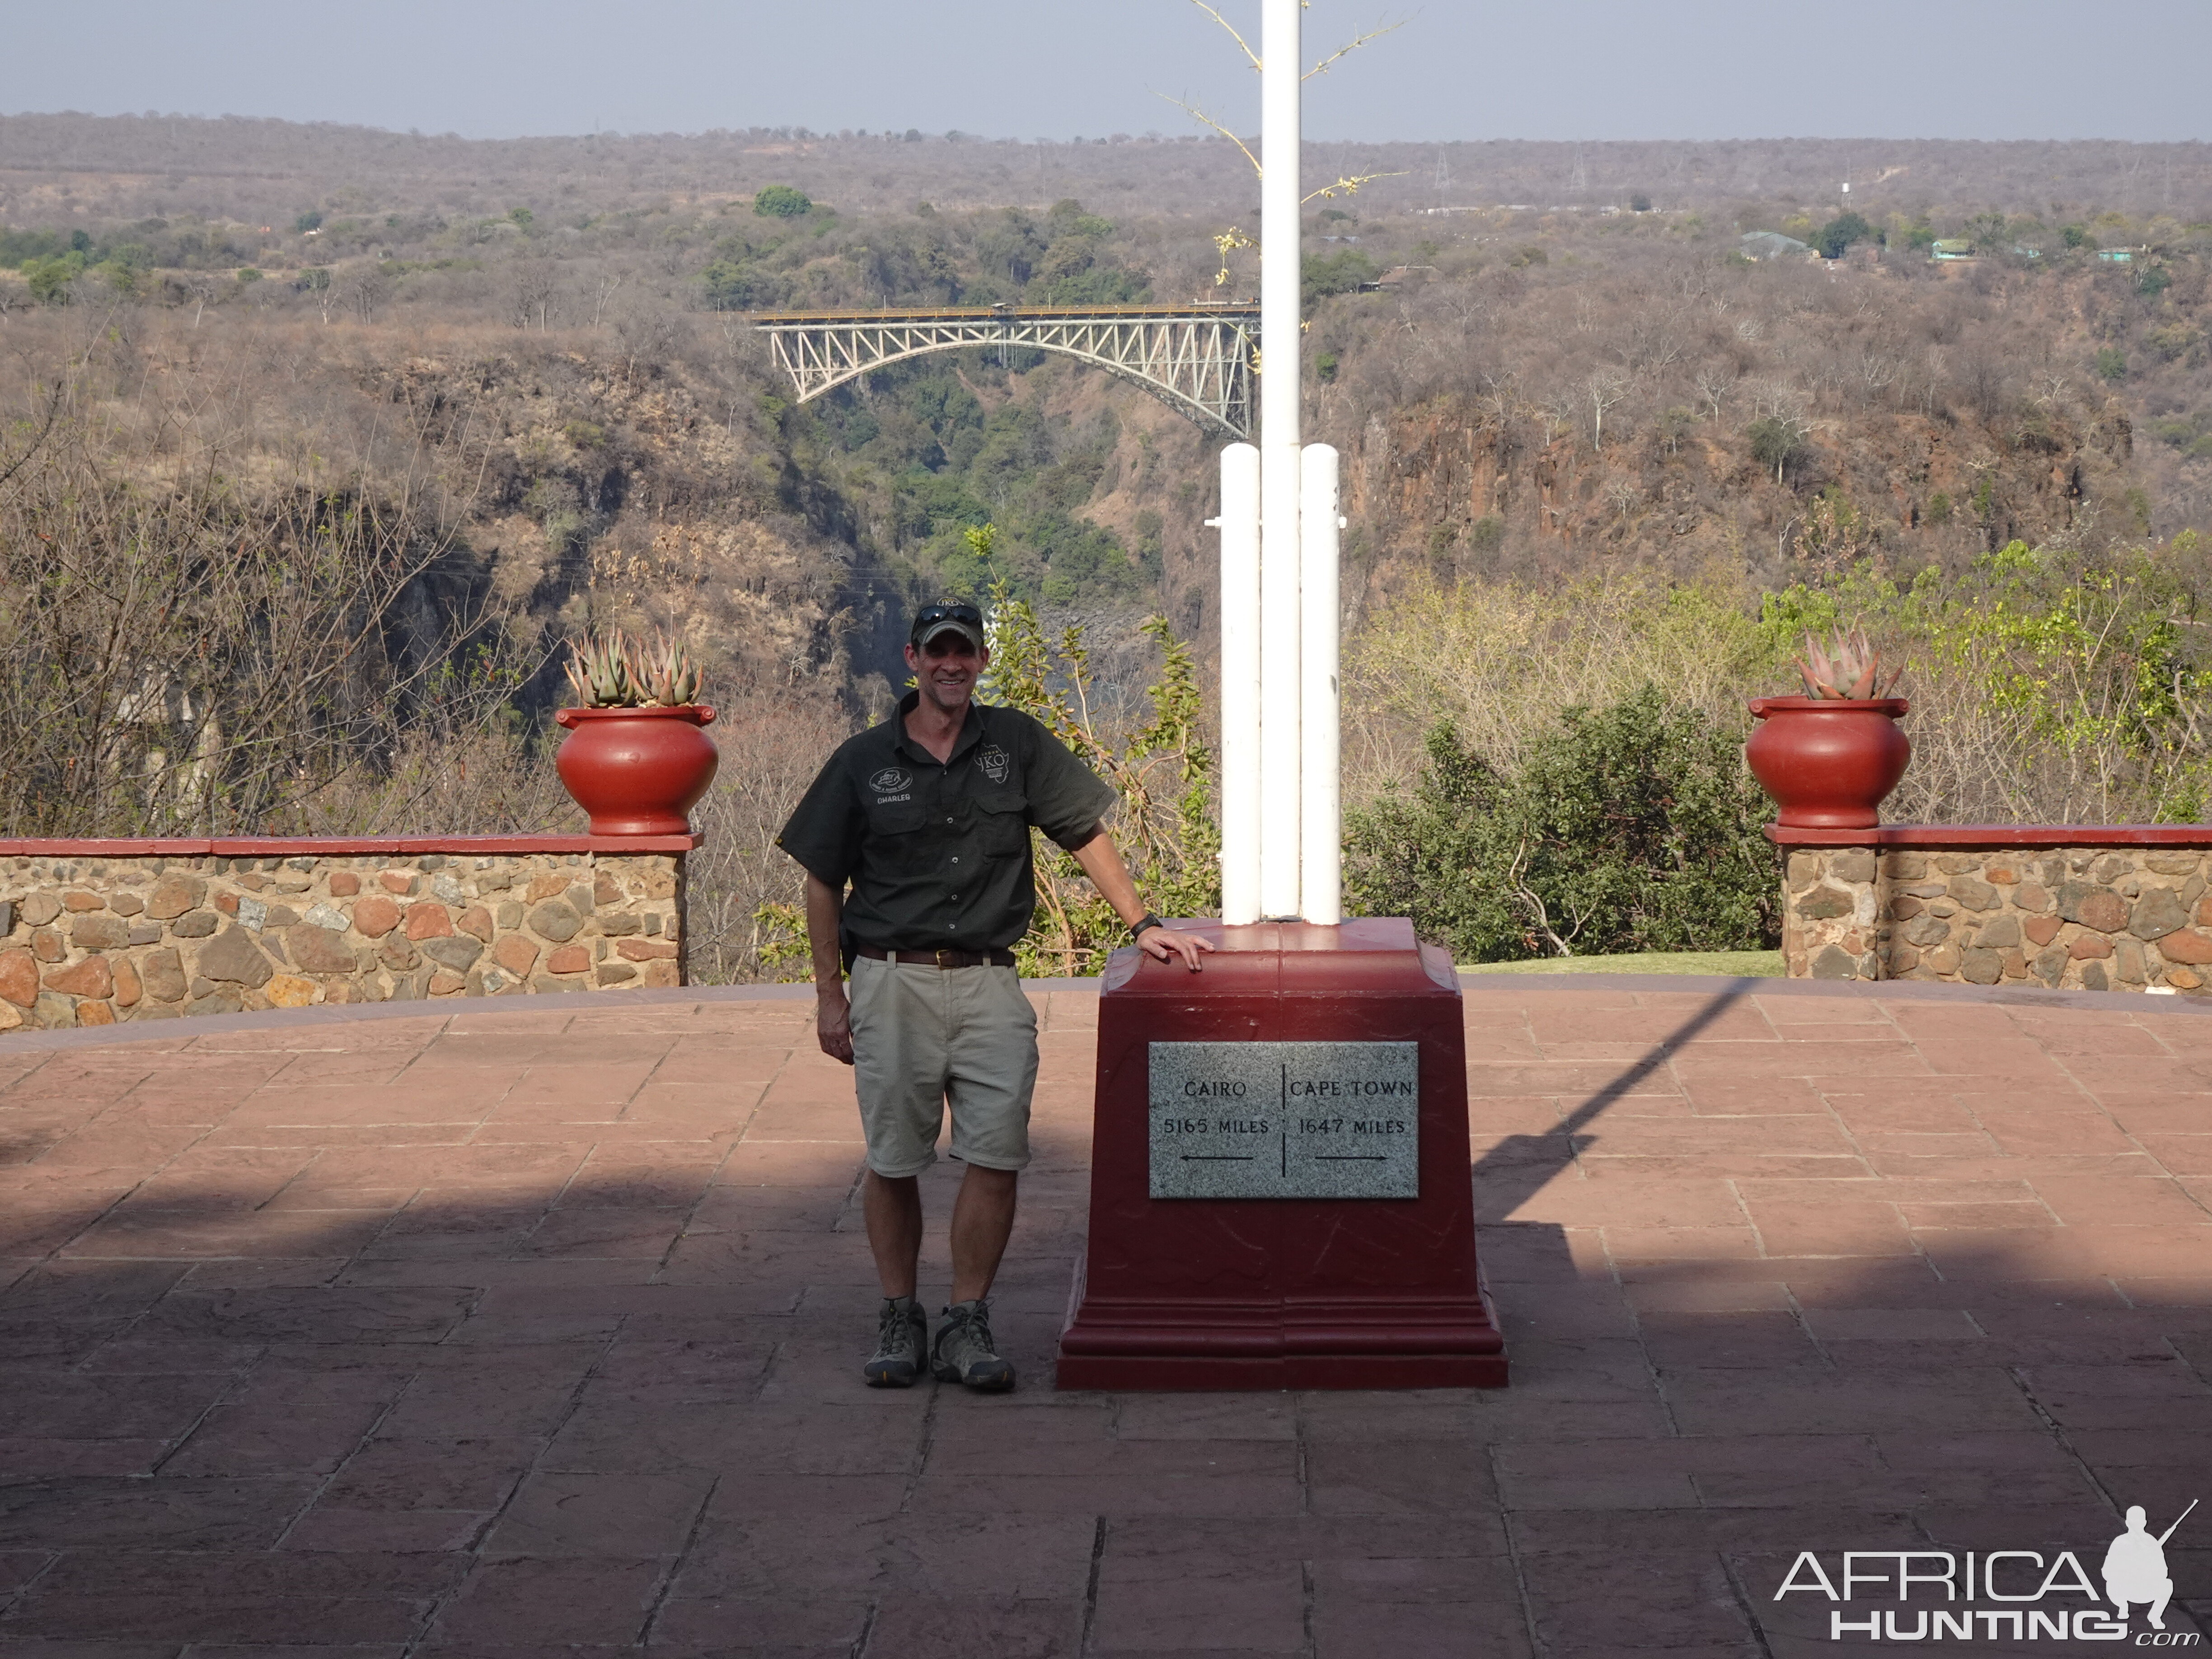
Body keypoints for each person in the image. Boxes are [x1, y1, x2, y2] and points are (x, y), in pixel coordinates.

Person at [776, 600, 1212, 1392]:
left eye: (965, 653)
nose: (952, 665)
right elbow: (820, 879)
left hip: (988, 981)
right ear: (912, 658)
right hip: (891, 979)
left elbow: (1083, 830)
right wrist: (828, 994)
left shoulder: (1015, 744)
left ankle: (966, 1322)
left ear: (980, 661)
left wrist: (1142, 921)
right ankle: (900, 1314)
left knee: (997, 1153)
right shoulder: (862, 760)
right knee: (894, 1158)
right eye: (938, 652)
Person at [2103, 1504, 2178, 1630]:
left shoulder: (2152, 1543)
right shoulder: (2120, 1542)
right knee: (2111, 1584)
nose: (2136, 1526)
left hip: (2145, 1588)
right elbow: (2107, 1572)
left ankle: (2155, 1616)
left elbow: (2163, 1572)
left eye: (2138, 1522)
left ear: (2144, 1523)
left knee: (2167, 1584)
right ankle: (2123, 1606)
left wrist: (2148, 1567)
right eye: (2134, 1523)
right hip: (2124, 1589)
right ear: (2127, 1523)